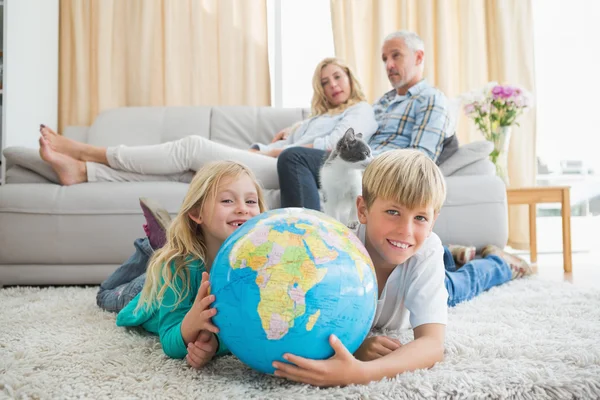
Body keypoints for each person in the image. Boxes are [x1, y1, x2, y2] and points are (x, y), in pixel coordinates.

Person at [272, 149, 532, 387]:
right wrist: (355, 345)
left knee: (461, 287)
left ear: (432, 223)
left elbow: (431, 344)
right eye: (393, 212)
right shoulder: (337, 248)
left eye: (420, 218)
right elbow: (313, 316)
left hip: (420, 269)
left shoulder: (425, 249)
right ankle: (455, 254)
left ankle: (499, 264)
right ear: (363, 210)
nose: (405, 230)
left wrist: (359, 373)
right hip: (410, 257)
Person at [37, 57, 378, 188]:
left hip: (290, 170)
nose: (333, 85)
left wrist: (279, 149)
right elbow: (285, 142)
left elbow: (334, 147)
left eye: (337, 77)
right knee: (189, 173)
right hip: (269, 159)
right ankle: (83, 172)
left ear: (349, 78)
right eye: (325, 81)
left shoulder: (361, 109)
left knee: (191, 147)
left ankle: (86, 151)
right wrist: (272, 143)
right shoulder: (314, 118)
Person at [98, 160, 267, 370]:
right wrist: (192, 323)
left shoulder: (260, 263)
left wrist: (215, 343)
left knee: (164, 259)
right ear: (197, 213)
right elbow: (169, 339)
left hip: (173, 270)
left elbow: (245, 325)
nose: (243, 209)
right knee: (104, 295)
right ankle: (147, 248)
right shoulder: (179, 268)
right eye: (227, 200)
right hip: (147, 297)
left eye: (251, 202)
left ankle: (161, 243)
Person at [277, 30, 457, 210]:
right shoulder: (383, 101)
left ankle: (308, 232)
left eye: (396, 56)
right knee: (300, 158)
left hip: (379, 169)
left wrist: (368, 162)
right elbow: (353, 125)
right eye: (385, 59)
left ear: (418, 57)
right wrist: (297, 128)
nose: (389, 65)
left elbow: (421, 160)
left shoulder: (431, 99)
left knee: (294, 157)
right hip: (356, 163)